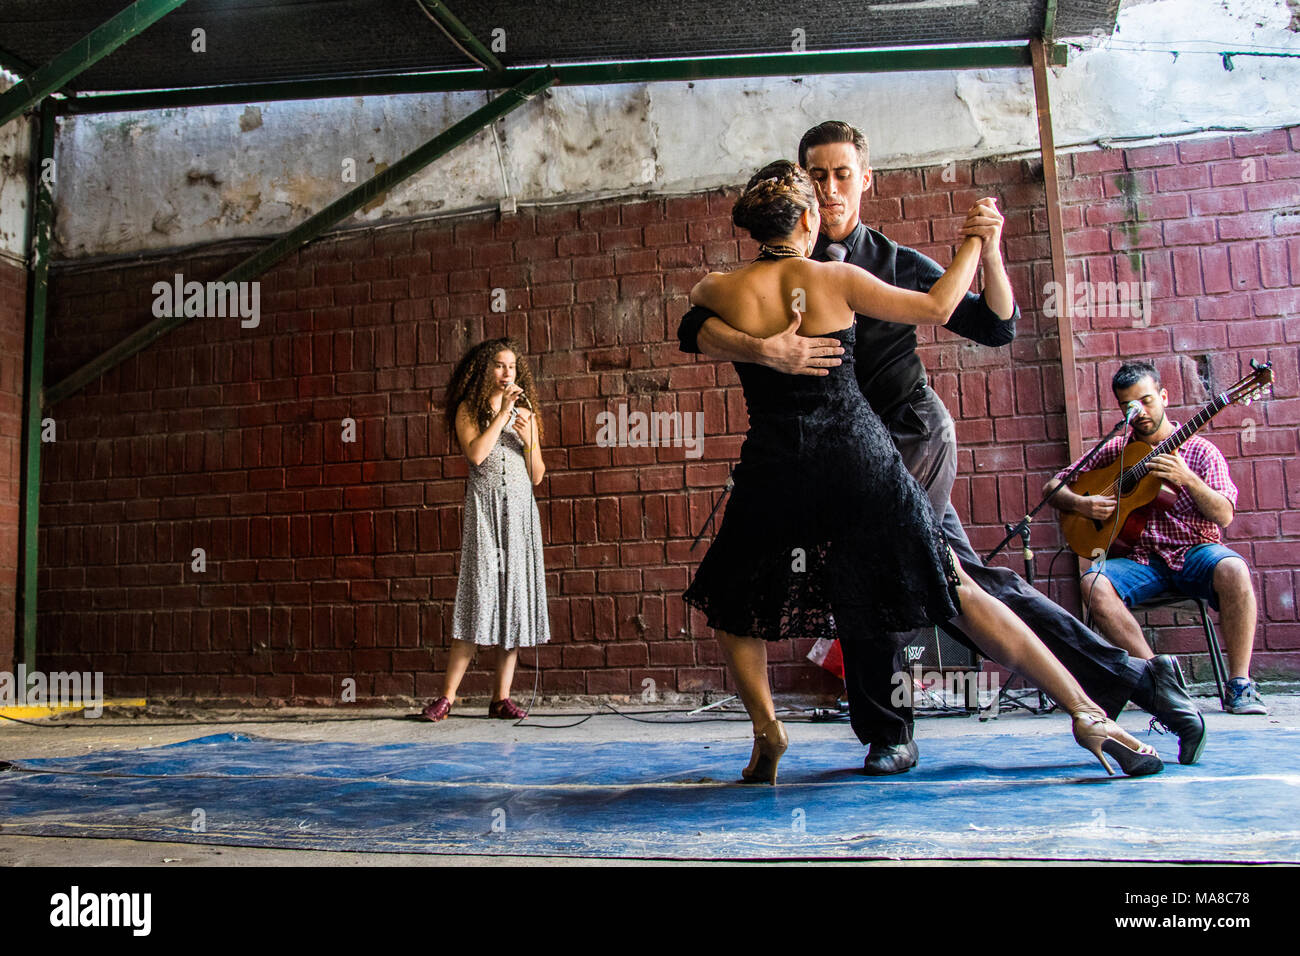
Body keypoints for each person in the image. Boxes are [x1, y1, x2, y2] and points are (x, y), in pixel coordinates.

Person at [677, 120, 1203, 773]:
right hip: (847, 453)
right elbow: (695, 326)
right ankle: (1134, 681)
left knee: (892, 577)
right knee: (961, 581)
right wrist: (767, 348)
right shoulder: (809, 275)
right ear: (802, 195)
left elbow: (993, 323)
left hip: (906, 433)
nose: (831, 187)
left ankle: (887, 731)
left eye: (843, 174)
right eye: (818, 175)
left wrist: (990, 248)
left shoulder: (889, 261)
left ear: (864, 181)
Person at [1044, 360, 1267, 715]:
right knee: (1093, 582)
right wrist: (1081, 504)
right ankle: (1161, 684)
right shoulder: (1117, 451)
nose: (1140, 412)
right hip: (1140, 561)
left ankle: (1240, 684)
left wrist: (1189, 479)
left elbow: (1224, 515)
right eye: (1129, 406)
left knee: (1235, 569)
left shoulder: (1201, 451)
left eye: (1146, 401)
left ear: (1163, 396)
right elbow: (1052, 487)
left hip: (1195, 553)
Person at [420, 338, 550, 722]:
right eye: (498, 365)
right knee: (479, 597)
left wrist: (529, 441)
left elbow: (538, 476)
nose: (506, 372)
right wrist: (503, 415)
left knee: (514, 603)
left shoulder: (527, 416)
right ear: (484, 371)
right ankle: (447, 697)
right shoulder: (469, 411)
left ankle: (501, 698)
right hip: (486, 514)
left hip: (521, 517)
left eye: (511, 366)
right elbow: (477, 455)